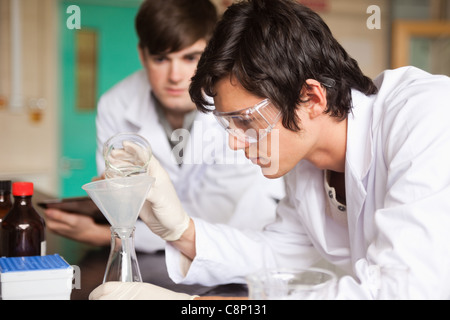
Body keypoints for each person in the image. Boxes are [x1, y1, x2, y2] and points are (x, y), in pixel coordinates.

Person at [90, 0, 450, 300]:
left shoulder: (427, 117)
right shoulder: (306, 159)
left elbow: (404, 289)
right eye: (228, 124)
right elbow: (279, 254)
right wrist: (180, 230)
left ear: (311, 97)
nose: (234, 140)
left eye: (245, 120)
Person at [44, 0, 284, 255]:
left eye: (190, 57)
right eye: (160, 59)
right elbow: (122, 206)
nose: (175, 76)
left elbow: (211, 218)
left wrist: (106, 236)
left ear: (212, 52)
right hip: (155, 252)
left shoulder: (237, 107)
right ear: (142, 55)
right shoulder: (116, 105)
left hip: (240, 248)